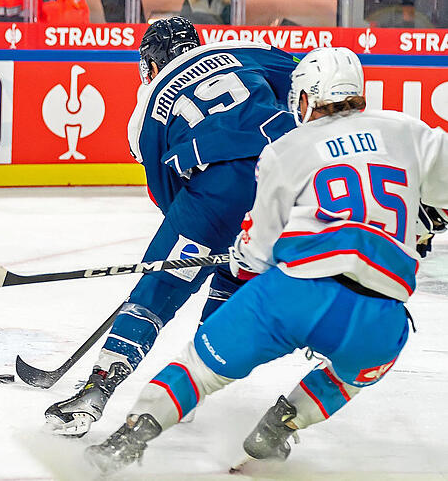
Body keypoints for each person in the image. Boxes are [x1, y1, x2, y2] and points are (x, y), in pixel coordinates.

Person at [84, 47, 448, 473]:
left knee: (199, 369)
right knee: (353, 374)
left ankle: (129, 438)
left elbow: (257, 256)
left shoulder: (286, 148)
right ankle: (279, 427)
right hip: (381, 313)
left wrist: (237, 257)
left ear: (307, 97)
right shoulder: (408, 130)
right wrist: (427, 221)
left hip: (295, 295)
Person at [43, 17, 300, 437]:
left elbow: (168, 195)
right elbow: (301, 80)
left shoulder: (146, 106)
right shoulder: (241, 49)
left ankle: (95, 393)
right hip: (288, 180)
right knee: (234, 276)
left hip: (216, 191)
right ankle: (190, 384)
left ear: (152, 61)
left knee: (157, 291)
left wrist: (190, 247)